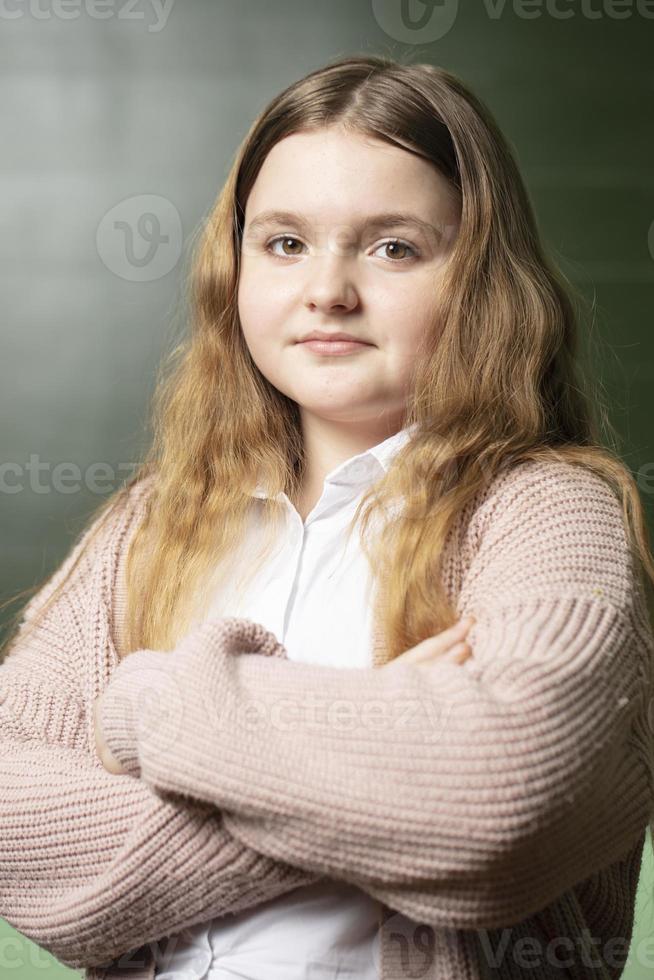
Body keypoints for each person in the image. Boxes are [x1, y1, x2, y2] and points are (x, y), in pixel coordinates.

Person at [2, 54, 653, 980]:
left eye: (394, 247)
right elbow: (13, 826)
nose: (328, 291)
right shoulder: (149, 525)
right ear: (237, 265)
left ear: (478, 279)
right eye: (285, 243)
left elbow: (493, 803)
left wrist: (145, 711)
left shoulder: (548, 514)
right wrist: (377, 771)